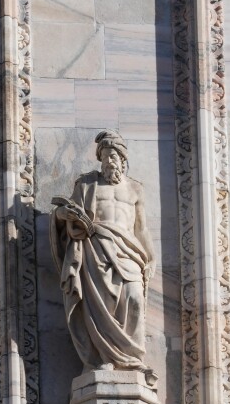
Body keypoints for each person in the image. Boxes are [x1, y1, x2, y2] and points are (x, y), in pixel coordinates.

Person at [49, 130, 156, 372]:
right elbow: (65, 213)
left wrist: (151, 258)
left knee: (135, 299)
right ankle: (104, 358)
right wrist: (63, 214)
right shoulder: (87, 184)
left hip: (129, 252)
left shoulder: (135, 189)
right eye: (105, 157)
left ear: (122, 159)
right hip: (95, 250)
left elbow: (142, 228)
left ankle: (132, 358)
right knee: (102, 304)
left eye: (113, 156)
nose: (109, 161)